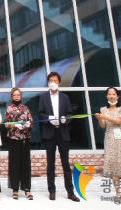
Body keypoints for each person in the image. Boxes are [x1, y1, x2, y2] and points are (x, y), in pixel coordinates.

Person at [38, 71, 79, 202]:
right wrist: (48, 118)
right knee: (50, 164)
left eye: (55, 80)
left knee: (65, 164)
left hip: (62, 133)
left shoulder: (65, 97)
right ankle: (52, 191)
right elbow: (40, 113)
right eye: (51, 81)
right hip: (49, 133)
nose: (53, 83)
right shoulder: (43, 97)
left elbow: (70, 114)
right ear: (48, 83)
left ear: (59, 82)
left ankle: (70, 192)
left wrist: (65, 119)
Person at [94, 87, 121, 205]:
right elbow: (103, 126)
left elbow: (119, 122)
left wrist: (104, 116)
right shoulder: (103, 109)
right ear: (106, 96)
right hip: (109, 140)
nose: (111, 96)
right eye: (109, 94)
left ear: (117, 96)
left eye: (113, 94)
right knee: (114, 168)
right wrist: (99, 119)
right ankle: (118, 194)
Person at [4, 87, 33, 200]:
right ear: (12, 96)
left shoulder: (26, 108)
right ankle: (15, 189)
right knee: (14, 164)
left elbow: (31, 122)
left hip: (25, 139)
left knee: (25, 164)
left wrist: (28, 125)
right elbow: (6, 124)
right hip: (13, 140)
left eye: (18, 95)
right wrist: (15, 125)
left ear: (21, 96)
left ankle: (27, 189)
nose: (16, 96)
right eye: (14, 95)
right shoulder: (9, 108)